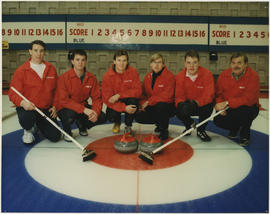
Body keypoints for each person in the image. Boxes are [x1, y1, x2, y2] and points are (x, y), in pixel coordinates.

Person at [8, 40, 61, 144]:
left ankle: (37, 125)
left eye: (41, 51)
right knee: (27, 118)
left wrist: (55, 106)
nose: (38, 54)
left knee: (55, 137)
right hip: (29, 109)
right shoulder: (22, 70)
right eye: (35, 50)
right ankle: (28, 129)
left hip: (45, 109)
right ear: (30, 51)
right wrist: (23, 103)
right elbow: (12, 93)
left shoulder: (51, 69)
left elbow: (57, 91)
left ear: (44, 52)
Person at [55, 49, 106, 142]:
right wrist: (84, 110)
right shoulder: (64, 78)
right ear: (72, 61)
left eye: (83, 60)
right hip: (65, 108)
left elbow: (97, 98)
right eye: (77, 60)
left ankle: (82, 125)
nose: (80, 63)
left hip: (82, 106)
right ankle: (67, 131)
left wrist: (95, 112)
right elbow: (64, 100)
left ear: (85, 61)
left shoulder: (91, 78)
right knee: (70, 115)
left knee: (102, 117)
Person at [213, 52, 260, 146]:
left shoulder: (253, 76)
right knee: (218, 120)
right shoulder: (223, 75)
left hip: (248, 107)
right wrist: (219, 105)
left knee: (245, 112)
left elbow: (249, 99)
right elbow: (218, 94)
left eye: (239, 63)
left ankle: (245, 135)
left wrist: (227, 102)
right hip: (229, 106)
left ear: (246, 64)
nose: (236, 66)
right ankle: (235, 128)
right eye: (233, 63)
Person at [175, 50, 215, 142]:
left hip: (200, 104)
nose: (191, 66)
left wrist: (197, 103)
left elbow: (209, 94)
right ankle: (188, 125)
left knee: (209, 104)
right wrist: (181, 104)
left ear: (199, 63)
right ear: (185, 64)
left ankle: (201, 130)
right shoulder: (180, 76)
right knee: (176, 107)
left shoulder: (207, 74)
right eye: (188, 63)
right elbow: (178, 95)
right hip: (187, 104)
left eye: (194, 63)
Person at [135, 53, 175, 140]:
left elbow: (168, 96)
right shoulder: (148, 77)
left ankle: (164, 129)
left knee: (161, 105)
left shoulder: (169, 76)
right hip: (153, 106)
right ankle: (158, 123)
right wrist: (142, 104)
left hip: (167, 107)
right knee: (139, 116)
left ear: (163, 64)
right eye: (154, 62)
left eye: (159, 62)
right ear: (150, 64)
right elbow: (143, 94)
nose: (156, 65)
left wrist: (149, 102)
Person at [102, 49, 142, 134]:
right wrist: (123, 108)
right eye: (119, 60)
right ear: (114, 61)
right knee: (111, 116)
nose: (121, 63)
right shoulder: (107, 76)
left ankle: (128, 125)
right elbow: (107, 99)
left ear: (127, 62)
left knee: (134, 101)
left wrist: (119, 95)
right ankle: (117, 122)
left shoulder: (133, 72)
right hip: (115, 102)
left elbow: (138, 91)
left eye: (124, 60)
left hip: (127, 99)